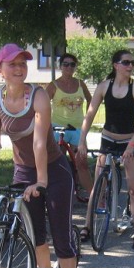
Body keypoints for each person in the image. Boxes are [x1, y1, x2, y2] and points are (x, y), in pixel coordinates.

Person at [0, 44, 79, 268]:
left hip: (54, 170)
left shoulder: (39, 96)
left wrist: (42, 181)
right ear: (0, 70)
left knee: (61, 233)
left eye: (23, 63)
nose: (19, 68)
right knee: (35, 230)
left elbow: (38, 143)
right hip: (23, 171)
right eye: (12, 64)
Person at [77, 49, 134, 250]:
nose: (130, 66)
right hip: (108, 139)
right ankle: (87, 226)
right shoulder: (103, 86)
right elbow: (90, 114)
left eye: (132, 63)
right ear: (115, 65)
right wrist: (82, 140)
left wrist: (132, 145)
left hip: (130, 140)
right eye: (126, 62)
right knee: (98, 186)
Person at [45, 53, 93, 197]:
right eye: (65, 64)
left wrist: (87, 118)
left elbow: (91, 101)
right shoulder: (54, 85)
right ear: (60, 67)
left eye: (72, 64)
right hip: (58, 128)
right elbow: (42, 105)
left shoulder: (80, 84)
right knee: (57, 162)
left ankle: (93, 197)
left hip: (78, 128)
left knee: (81, 163)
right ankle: (57, 192)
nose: (69, 67)